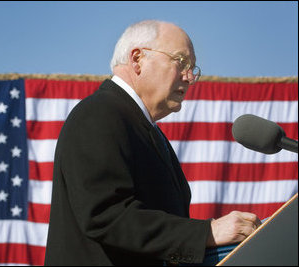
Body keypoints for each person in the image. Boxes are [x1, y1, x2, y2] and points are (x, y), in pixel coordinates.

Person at [44, 20, 261, 266]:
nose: (189, 77)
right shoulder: (100, 114)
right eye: (181, 62)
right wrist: (206, 234)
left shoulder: (144, 127)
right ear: (137, 59)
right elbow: (105, 216)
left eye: (192, 68)